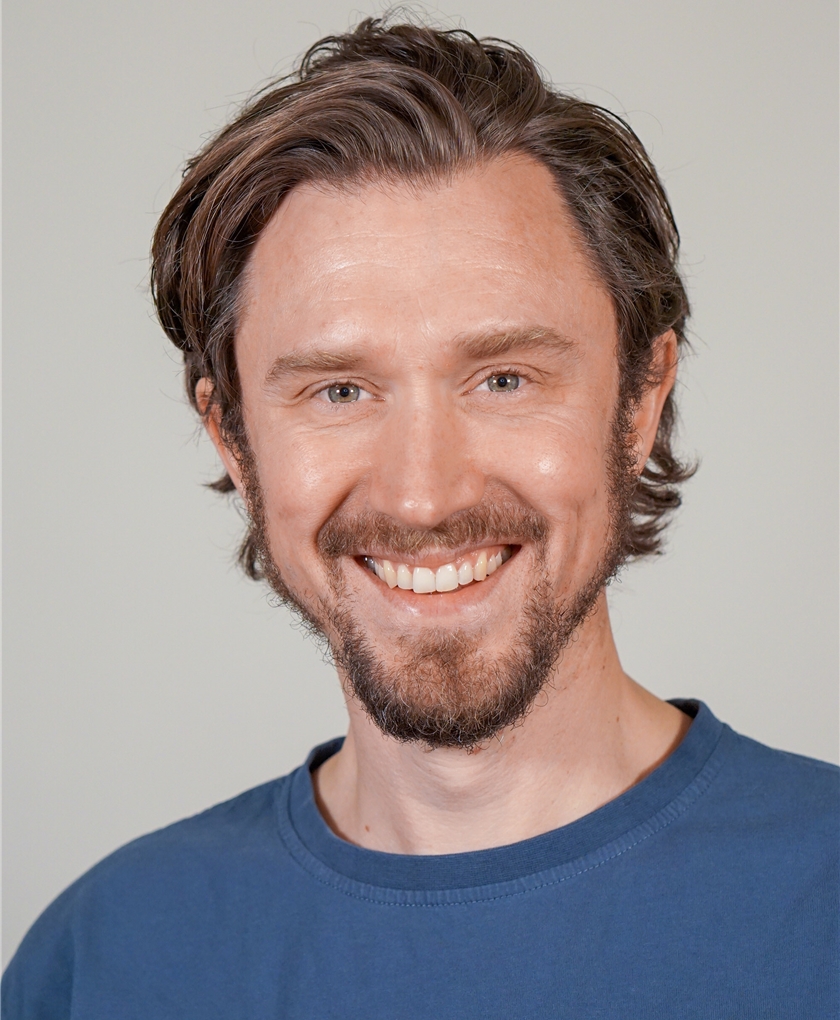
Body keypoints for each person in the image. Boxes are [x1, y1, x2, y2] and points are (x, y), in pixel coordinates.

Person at [3, 18, 837, 1019]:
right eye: (339, 391)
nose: (422, 495)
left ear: (641, 400)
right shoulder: (104, 960)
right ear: (232, 437)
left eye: (504, 378)